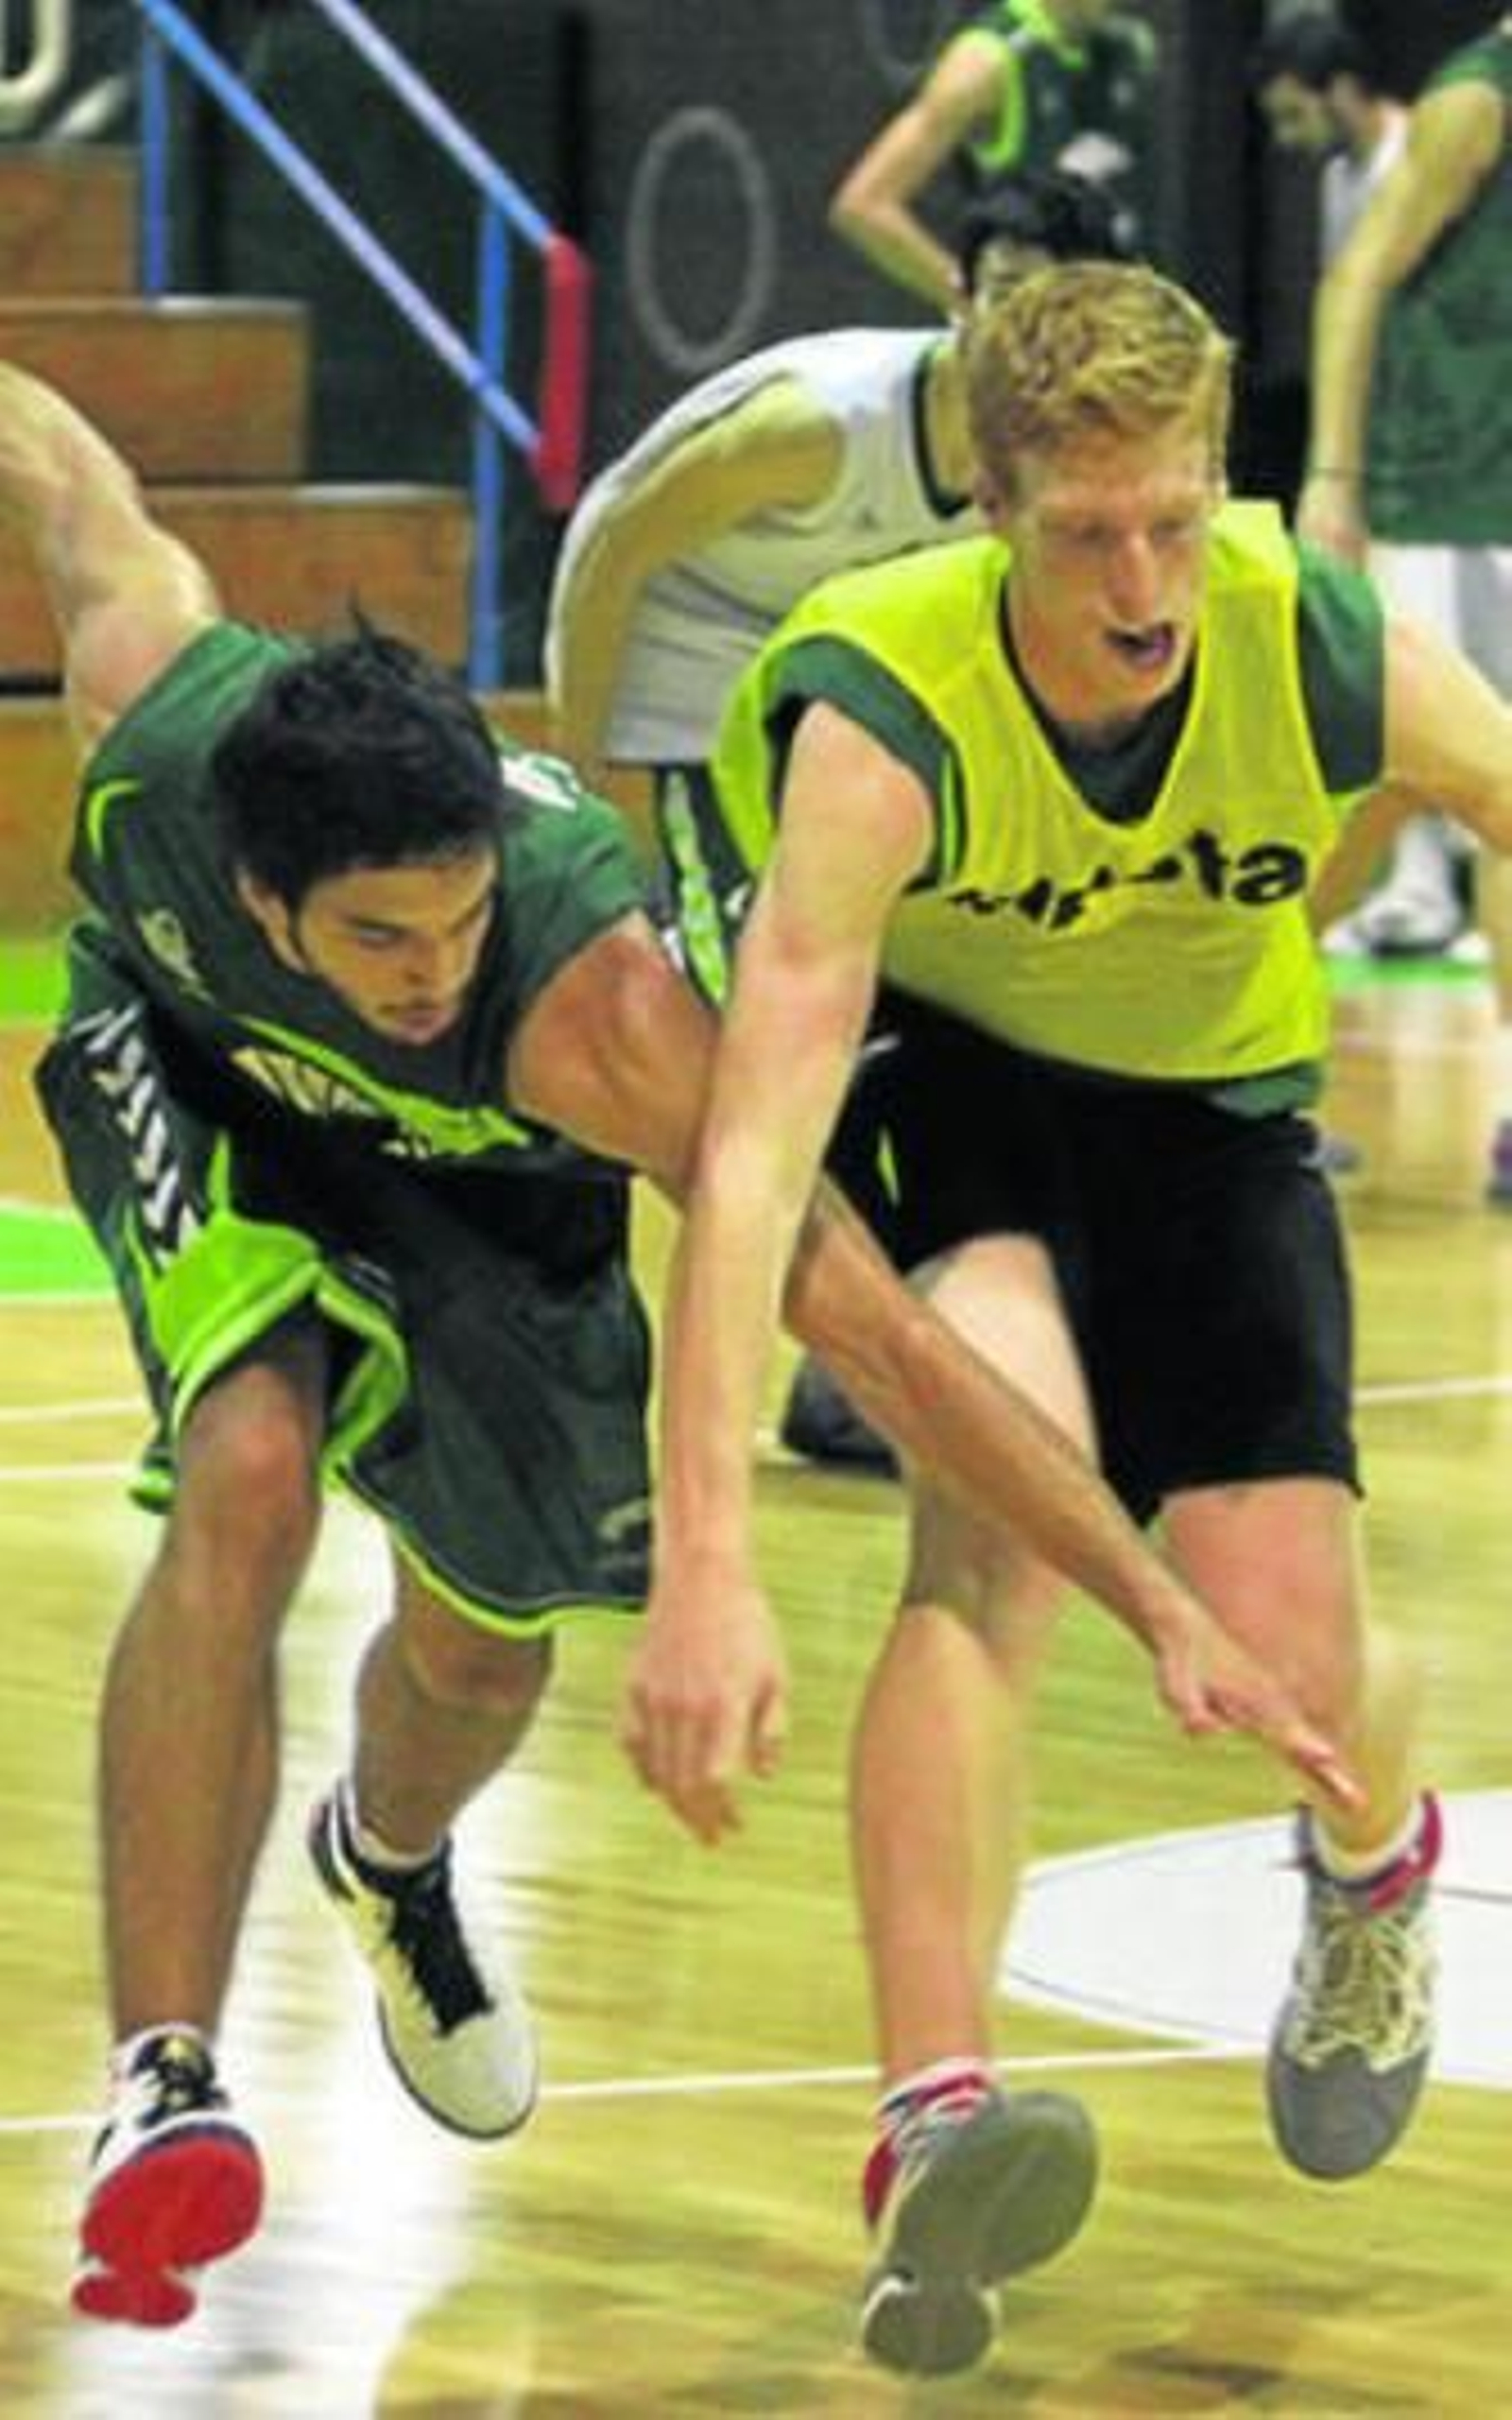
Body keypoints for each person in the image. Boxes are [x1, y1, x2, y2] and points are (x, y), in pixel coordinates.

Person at [0, 359, 1352, 2333]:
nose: (430, 969)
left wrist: (1152, 1599)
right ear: (269, 895)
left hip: (494, 1187)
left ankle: (385, 1859)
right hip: (205, 1090)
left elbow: (879, 1342)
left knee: (486, 1639)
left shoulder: (594, 1012)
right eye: (380, 940)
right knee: (252, 1464)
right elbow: (56, 450)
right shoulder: (157, 713)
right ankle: (166, 2090)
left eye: (457, 924)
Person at [647, 260, 1512, 2378]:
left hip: (1214, 1110)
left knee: (1295, 1642)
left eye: (1168, 518)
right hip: (955, 1090)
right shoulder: (884, 712)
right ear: (988, 512)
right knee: (990, 1522)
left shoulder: (1306, 638)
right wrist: (704, 1559)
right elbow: (747, 1160)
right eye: (1080, 532)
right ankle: (931, 2106)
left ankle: (1367, 1863)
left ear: (1213, 483)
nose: (1138, 581)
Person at [547, 168, 1126, 1470]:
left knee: (930, 1019)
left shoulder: (1043, 462)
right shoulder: (823, 426)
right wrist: (582, 761)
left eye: (1046, 303)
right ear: (958, 298)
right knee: (767, 1043)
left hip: (830, 683)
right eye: (993, 294)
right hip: (693, 672)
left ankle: (862, 1356)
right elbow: (614, 539)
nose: (1009, 329)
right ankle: (784, 1370)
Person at [1299, 11, 1512, 1188]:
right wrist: (1333, 475)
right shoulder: (1475, 101)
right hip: (1442, 503)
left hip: (1499, 498)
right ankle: (1225, 1038)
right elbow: (1355, 279)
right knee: (1383, 806)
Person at [1253, 9, 1465, 963]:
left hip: (1459, 468)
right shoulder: (1343, 182)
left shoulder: (1439, 149)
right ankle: (1417, 895)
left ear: (1337, 87)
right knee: (1406, 693)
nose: (1289, 140)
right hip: (1392, 474)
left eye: (1295, 113)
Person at [827, 0, 1157, 318]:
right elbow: (863, 205)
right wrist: (979, 302)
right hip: (1031, 348)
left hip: (1114, 331)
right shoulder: (986, 60)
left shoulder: (1128, 47)